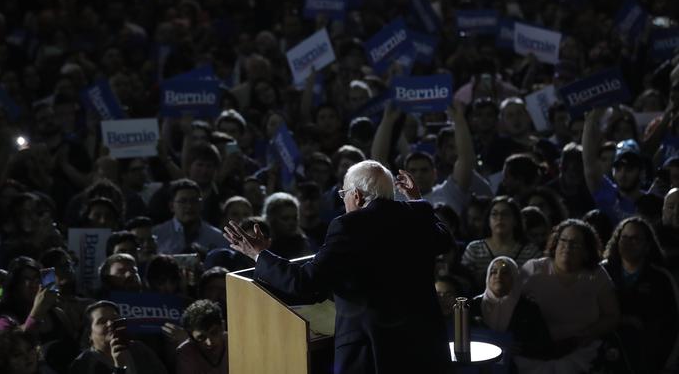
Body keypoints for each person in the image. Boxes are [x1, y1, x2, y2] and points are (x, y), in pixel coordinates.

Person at [223, 160, 452, 374]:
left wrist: (259, 254)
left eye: (344, 194)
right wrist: (416, 200)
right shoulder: (416, 214)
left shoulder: (349, 226)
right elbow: (444, 241)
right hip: (426, 347)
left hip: (372, 353)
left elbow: (305, 283)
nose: (344, 201)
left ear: (357, 196)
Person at [518, 219, 620, 372]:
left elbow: (612, 315)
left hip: (582, 350)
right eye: (563, 241)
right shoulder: (534, 269)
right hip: (536, 352)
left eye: (575, 243)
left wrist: (586, 335)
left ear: (586, 251)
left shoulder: (597, 275)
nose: (567, 247)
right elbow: (510, 305)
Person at [601, 217, 679, 373]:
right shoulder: (601, 272)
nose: (629, 242)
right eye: (624, 237)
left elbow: (673, 321)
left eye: (636, 238)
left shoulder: (661, 278)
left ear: (647, 245)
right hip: (606, 354)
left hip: (649, 358)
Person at [470, 257, 552, 361]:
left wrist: (521, 349)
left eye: (505, 273)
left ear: (514, 277)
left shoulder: (528, 308)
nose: (498, 276)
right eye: (493, 272)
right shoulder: (473, 305)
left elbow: (544, 344)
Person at [461, 196, 542, 291]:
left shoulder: (530, 252)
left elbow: (538, 284)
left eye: (505, 214)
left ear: (515, 220)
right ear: (488, 220)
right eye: (494, 214)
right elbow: (465, 284)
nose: (499, 218)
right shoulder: (474, 249)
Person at [69, 300, 168, 374]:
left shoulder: (139, 349)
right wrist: (119, 368)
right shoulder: (82, 364)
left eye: (115, 318)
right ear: (89, 334)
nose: (110, 323)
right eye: (102, 321)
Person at [176, 300, 228, 374]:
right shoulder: (185, 352)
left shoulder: (234, 343)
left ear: (223, 326)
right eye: (201, 337)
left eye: (214, 333)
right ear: (191, 338)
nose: (209, 343)